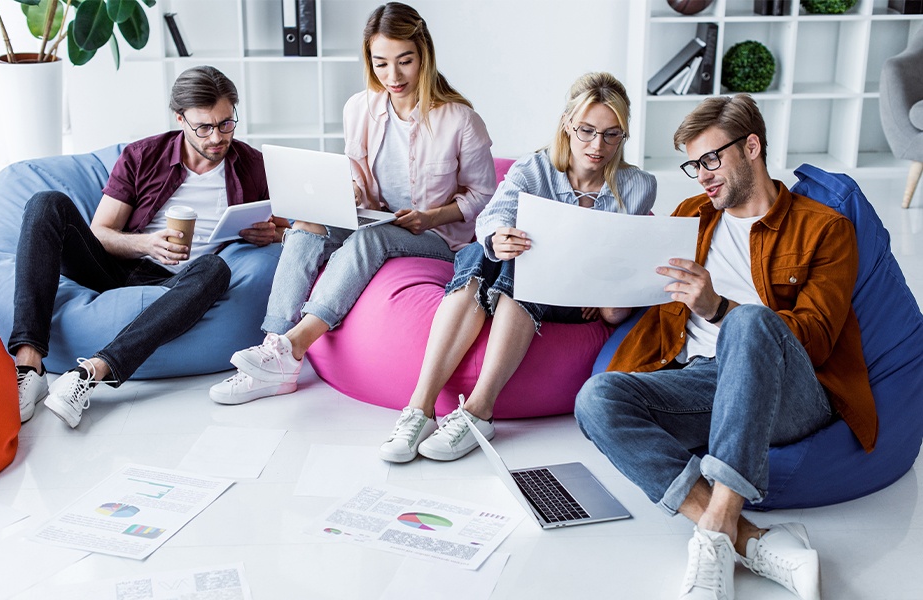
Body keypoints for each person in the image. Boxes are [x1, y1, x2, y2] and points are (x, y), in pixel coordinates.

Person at [574, 94, 878, 600]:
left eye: (712, 159)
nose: (702, 177)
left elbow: (818, 340)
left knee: (750, 322)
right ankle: (749, 540)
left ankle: (713, 537)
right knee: (595, 399)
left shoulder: (825, 229)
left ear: (752, 146)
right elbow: (645, 294)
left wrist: (718, 308)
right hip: (701, 380)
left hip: (790, 391)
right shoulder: (690, 216)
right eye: (694, 165)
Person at [209, 2, 495, 405]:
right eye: (380, 64)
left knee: (368, 242)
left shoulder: (460, 119)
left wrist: (431, 215)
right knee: (306, 224)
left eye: (404, 61)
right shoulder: (359, 107)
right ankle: (274, 349)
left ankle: (294, 346)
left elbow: (483, 196)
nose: (392, 76)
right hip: (374, 219)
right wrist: (352, 193)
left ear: (424, 56)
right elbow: (356, 171)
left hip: (436, 237)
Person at [378, 72, 657, 464]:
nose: (598, 146)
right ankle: (420, 409)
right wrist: (497, 238)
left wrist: (605, 291)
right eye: (587, 131)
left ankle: (478, 411)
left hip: (576, 301)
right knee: (482, 254)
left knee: (522, 267)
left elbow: (625, 268)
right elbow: (492, 216)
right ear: (567, 125)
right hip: (516, 279)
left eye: (613, 135)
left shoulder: (637, 185)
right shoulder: (535, 169)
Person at [13, 65, 279, 428]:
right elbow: (102, 232)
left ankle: (93, 371)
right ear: (180, 119)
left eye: (226, 123)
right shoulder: (143, 156)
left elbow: (286, 227)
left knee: (217, 268)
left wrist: (269, 235)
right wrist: (147, 244)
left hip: (182, 284)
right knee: (45, 202)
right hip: (115, 268)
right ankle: (29, 366)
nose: (217, 137)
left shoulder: (252, 164)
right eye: (204, 127)